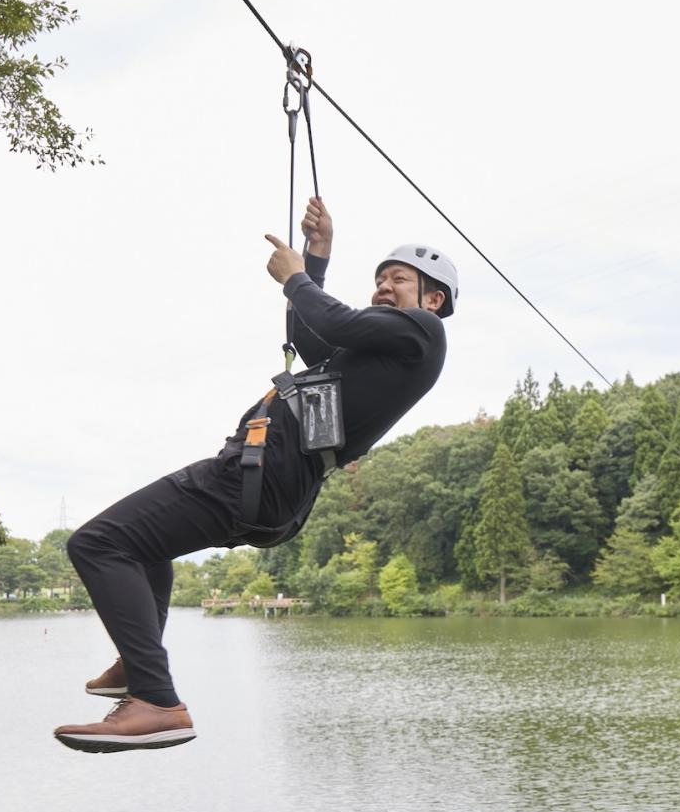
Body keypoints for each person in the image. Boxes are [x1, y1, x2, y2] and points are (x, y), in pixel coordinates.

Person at [54, 197, 456, 752]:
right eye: (380, 280)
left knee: (98, 543)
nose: (383, 287)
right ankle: (138, 663)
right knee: (145, 548)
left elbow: (331, 318)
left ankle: (156, 700)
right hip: (269, 484)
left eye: (399, 280)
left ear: (432, 300)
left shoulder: (423, 334)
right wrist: (316, 257)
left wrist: (295, 279)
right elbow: (315, 339)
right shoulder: (383, 351)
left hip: (260, 475)